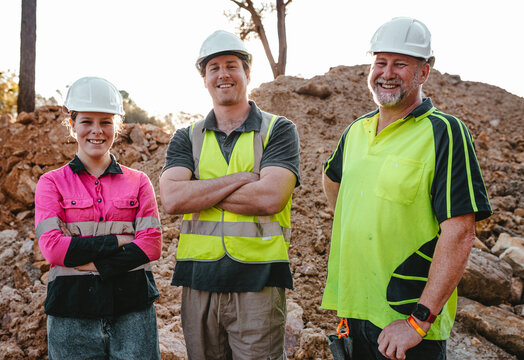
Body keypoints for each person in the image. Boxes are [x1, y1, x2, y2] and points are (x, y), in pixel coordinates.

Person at [321, 17, 491, 360]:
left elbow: (459, 232)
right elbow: (333, 181)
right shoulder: (356, 131)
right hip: (354, 314)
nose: (387, 72)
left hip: (407, 324)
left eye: (400, 63)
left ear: (424, 73)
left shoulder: (445, 132)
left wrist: (418, 322)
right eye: (380, 62)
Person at [159, 30, 300, 359]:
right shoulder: (187, 136)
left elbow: (270, 198)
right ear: (205, 79)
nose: (223, 74)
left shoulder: (278, 130)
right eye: (214, 68)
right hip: (198, 281)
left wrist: (199, 191)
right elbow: (172, 201)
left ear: (247, 73)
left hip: (259, 281)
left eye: (232, 65)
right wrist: (240, 179)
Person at [34, 76, 162, 360]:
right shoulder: (50, 183)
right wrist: (120, 240)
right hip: (71, 315)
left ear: (116, 125)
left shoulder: (139, 181)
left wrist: (91, 262)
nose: (96, 131)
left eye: (105, 121)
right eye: (87, 121)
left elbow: (151, 246)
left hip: (134, 312)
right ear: (72, 125)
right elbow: (53, 249)